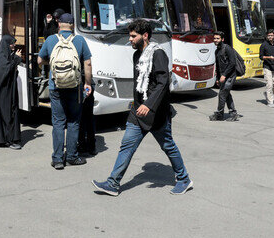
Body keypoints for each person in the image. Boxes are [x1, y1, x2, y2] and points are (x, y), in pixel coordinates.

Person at [92, 19, 192, 196]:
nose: (129, 39)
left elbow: (163, 84)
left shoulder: (158, 54)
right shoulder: (137, 55)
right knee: (126, 146)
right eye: (130, 36)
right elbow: (139, 84)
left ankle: (183, 179)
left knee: (168, 146)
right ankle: (113, 183)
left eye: (133, 36)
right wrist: (137, 104)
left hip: (156, 113)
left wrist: (149, 105)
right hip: (138, 111)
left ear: (145, 36)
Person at [38, 13, 92, 169]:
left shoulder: (51, 40)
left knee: (58, 122)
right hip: (75, 87)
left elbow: (40, 61)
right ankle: (72, 157)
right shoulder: (80, 40)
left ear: (59, 24)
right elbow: (87, 64)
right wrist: (87, 83)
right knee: (74, 121)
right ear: (73, 25)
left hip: (56, 87)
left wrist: (52, 62)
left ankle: (57, 159)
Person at [0, 35, 22, 149]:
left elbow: (11, 70)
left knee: (10, 111)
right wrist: (16, 59)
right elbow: (5, 70)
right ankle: (8, 139)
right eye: (12, 43)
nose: (14, 45)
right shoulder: (2, 56)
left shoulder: (6, 55)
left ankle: (7, 138)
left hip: (8, 89)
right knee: (7, 112)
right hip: (4, 92)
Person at [210, 31, 239, 121]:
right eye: (214, 38)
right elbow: (218, 66)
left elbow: (232, 63)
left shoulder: (227, 48)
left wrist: (224, 75)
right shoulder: (217, 51)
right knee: (226, 94)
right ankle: (233, 113)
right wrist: (218, 78)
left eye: (218, 38)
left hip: (230, 76)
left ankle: (219, 114)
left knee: (222, 94)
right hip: (223, 76)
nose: (216, 40)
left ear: (222, 39)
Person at [259, 29, 274, 107]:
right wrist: (269, 57)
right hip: (267, 67)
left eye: (271, 35)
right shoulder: (263, 45)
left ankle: (267, 94)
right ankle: (270, 101)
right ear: (267, 36)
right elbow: (261, 57)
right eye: (269, 35)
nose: (270, 37)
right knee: (269, 85)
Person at [78, 79, 97, 156]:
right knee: (89, 117)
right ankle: (91, 147)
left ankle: (82, 145)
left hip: (78, 84)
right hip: (86, 84)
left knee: (79, 118)